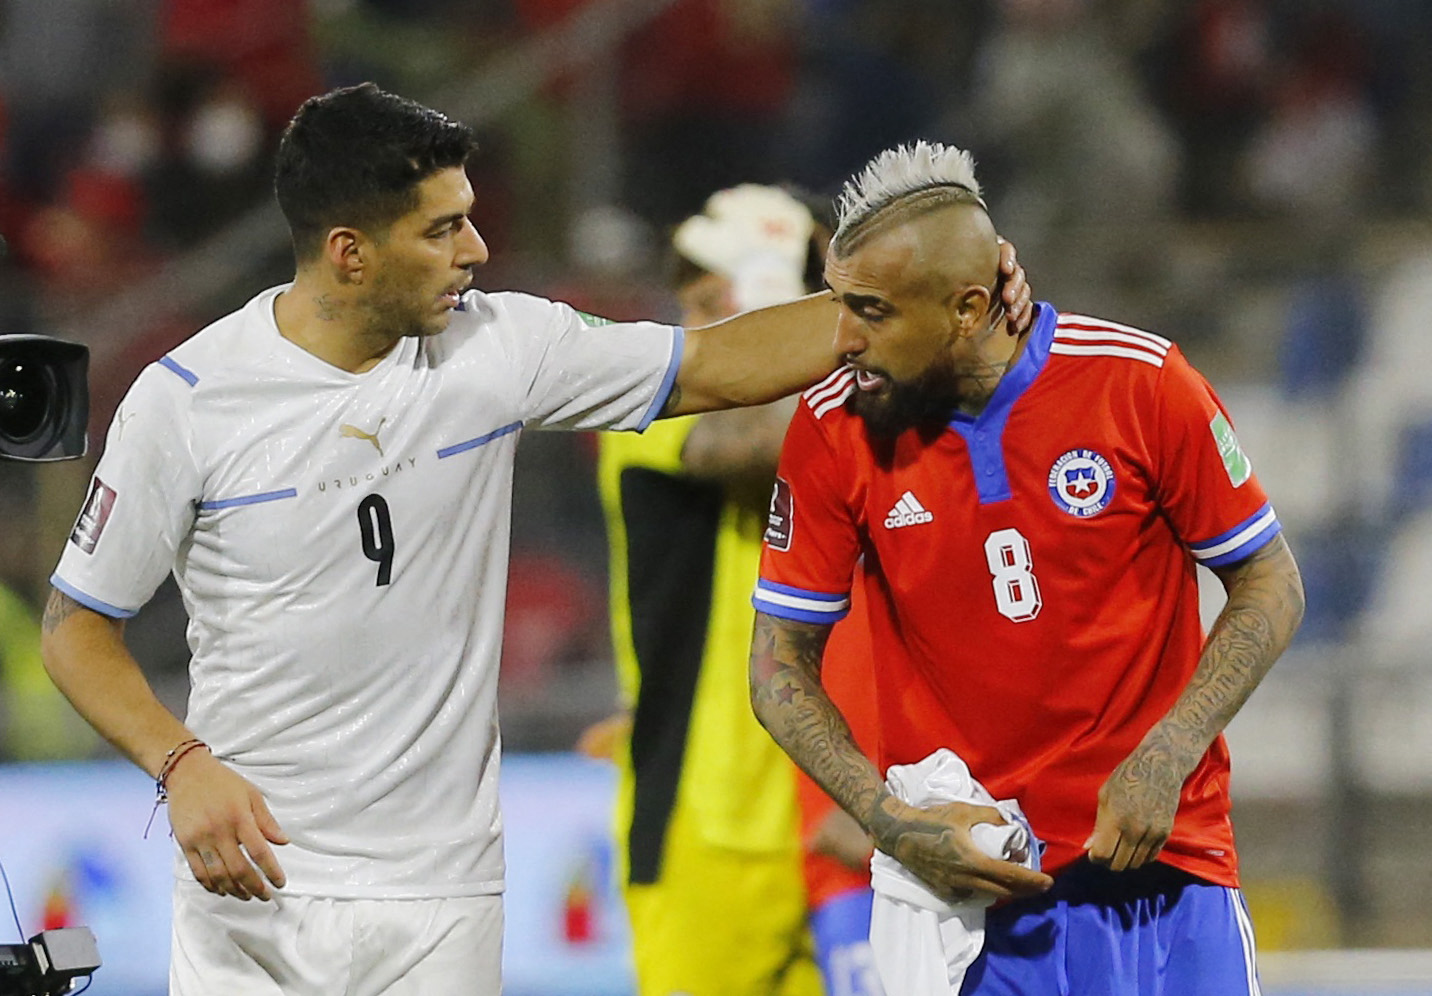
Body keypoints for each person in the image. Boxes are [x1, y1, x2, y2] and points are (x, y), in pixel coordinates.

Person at [36, 82, 845, 996]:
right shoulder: (188, 399)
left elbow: (723, 363)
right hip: (254, 884)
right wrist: (181, 766)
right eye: (442, 229)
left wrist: (900, 296)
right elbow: (74, 626)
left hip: (445, 895)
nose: (477, 248)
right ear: (349, 254)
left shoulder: (501, 347)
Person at [748, 141, 1305, 995]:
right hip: (971, 902)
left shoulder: (1140, 384)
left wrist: (1168, 753)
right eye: (839, 304)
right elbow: (776, 664)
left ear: (969, 308)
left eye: (872, 310)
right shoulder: (833, 428)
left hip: (1168, 869)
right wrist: (888, 820)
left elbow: (1270, 581)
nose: (842, 337)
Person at [588, 184, 1031, 996]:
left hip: (843, 813)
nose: (688, 313)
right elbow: (757, 433)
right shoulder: (640, 409)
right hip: (703, 830)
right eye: (693, 293)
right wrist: (804, 327)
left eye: (709, 291)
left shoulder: (866, 429)